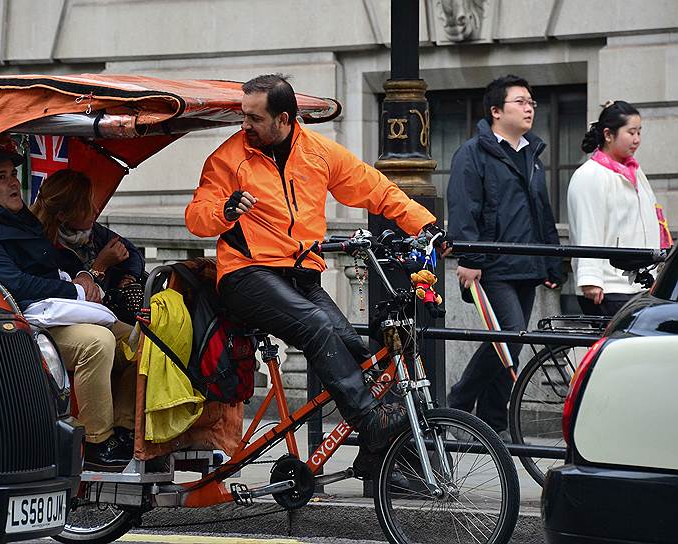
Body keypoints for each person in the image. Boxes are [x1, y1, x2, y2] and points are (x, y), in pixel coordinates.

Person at [184, 74, 447, 477]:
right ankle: (371, 426)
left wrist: (424, 225)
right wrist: (227, 209)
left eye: (254, 118)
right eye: (244, 115)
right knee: (317, 326)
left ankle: (381, 460)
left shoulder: (318, 153)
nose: (244, 125)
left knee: (361, 355)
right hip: (246, 275)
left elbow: (375, 188)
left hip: (300, 276)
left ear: (284, 119)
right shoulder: (228, 159)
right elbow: (196, 216)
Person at [0, 144, 136, 471]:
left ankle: (124, 427)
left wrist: (81, 274)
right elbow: (15, 285)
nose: (13, 182)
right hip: (16, 328)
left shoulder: (15, 217)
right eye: (1, 177)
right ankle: (94, 442)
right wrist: (75, 289)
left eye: (13, 175)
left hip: (47, 313)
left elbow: (50, 258)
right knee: (97, 343)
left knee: (143, 342)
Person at [446, 74, 562, 436]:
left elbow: (542, 211)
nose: (529, 108)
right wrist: (470, 258)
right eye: (520, 102)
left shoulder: (532, 154)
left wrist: (553, 262)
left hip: (526, 265)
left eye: (532, 102)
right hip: (491, 264)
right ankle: (457, 404)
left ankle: (494, 426)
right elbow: (465, 207)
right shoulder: (473, 153)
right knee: (510, 335)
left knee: (511, 344)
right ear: (496, 111)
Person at [568, 101, 670, 316]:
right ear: (608, 134)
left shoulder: (634, 170)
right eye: (631, 132)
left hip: (638, 283)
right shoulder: (590, 175)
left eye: (639, 132)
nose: (637, 139)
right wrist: (590, 279)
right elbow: (588, 227)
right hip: (609, 286)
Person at [30, 169, 145, 292]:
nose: (95, 211)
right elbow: (74, 295)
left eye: (92, 202)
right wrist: (99, 266)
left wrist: (128, 278)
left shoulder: (93, 231)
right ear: (63, 215)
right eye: (86, 207)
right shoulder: (42, 247)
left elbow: (133, 253)